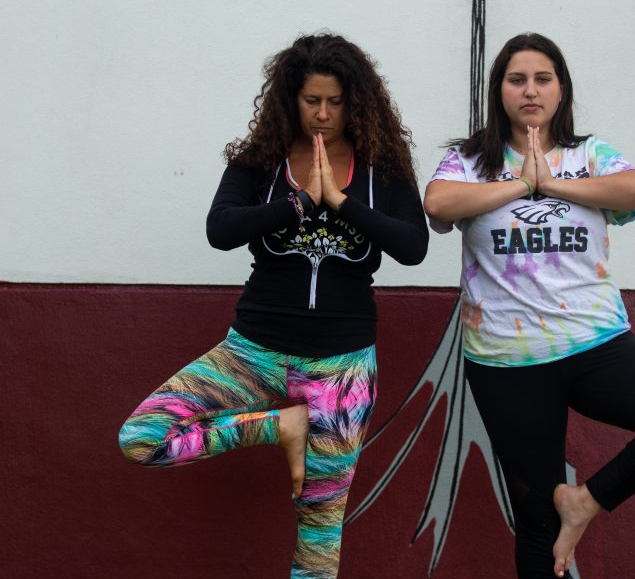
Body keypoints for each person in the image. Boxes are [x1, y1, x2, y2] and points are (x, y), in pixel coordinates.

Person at [118, 33, 428, 578]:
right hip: (252, 353)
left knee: (319, 532)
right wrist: (299, 202)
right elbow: (221, 230)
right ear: (291, 99)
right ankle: (280, 425)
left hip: (341, 369)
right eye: (313, 101)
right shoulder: (259, 164)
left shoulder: (382, 168)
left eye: (335, 102)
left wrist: (337, 202)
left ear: (356, 102)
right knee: (142, 438)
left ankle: (294, 427)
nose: (324, 115)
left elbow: (413, 247)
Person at [424, 33, 635, 579]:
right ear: (500, 92)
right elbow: (438, 205)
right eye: (517, 80)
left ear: (561, 89)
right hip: (506, 362)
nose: (530, 91)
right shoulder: (469, 160)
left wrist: (557, 186)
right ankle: (560, 514)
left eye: (543, 79)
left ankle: (585, 501)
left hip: (596, 346)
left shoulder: (590, 155)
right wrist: (521, 183)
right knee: (536, 525)